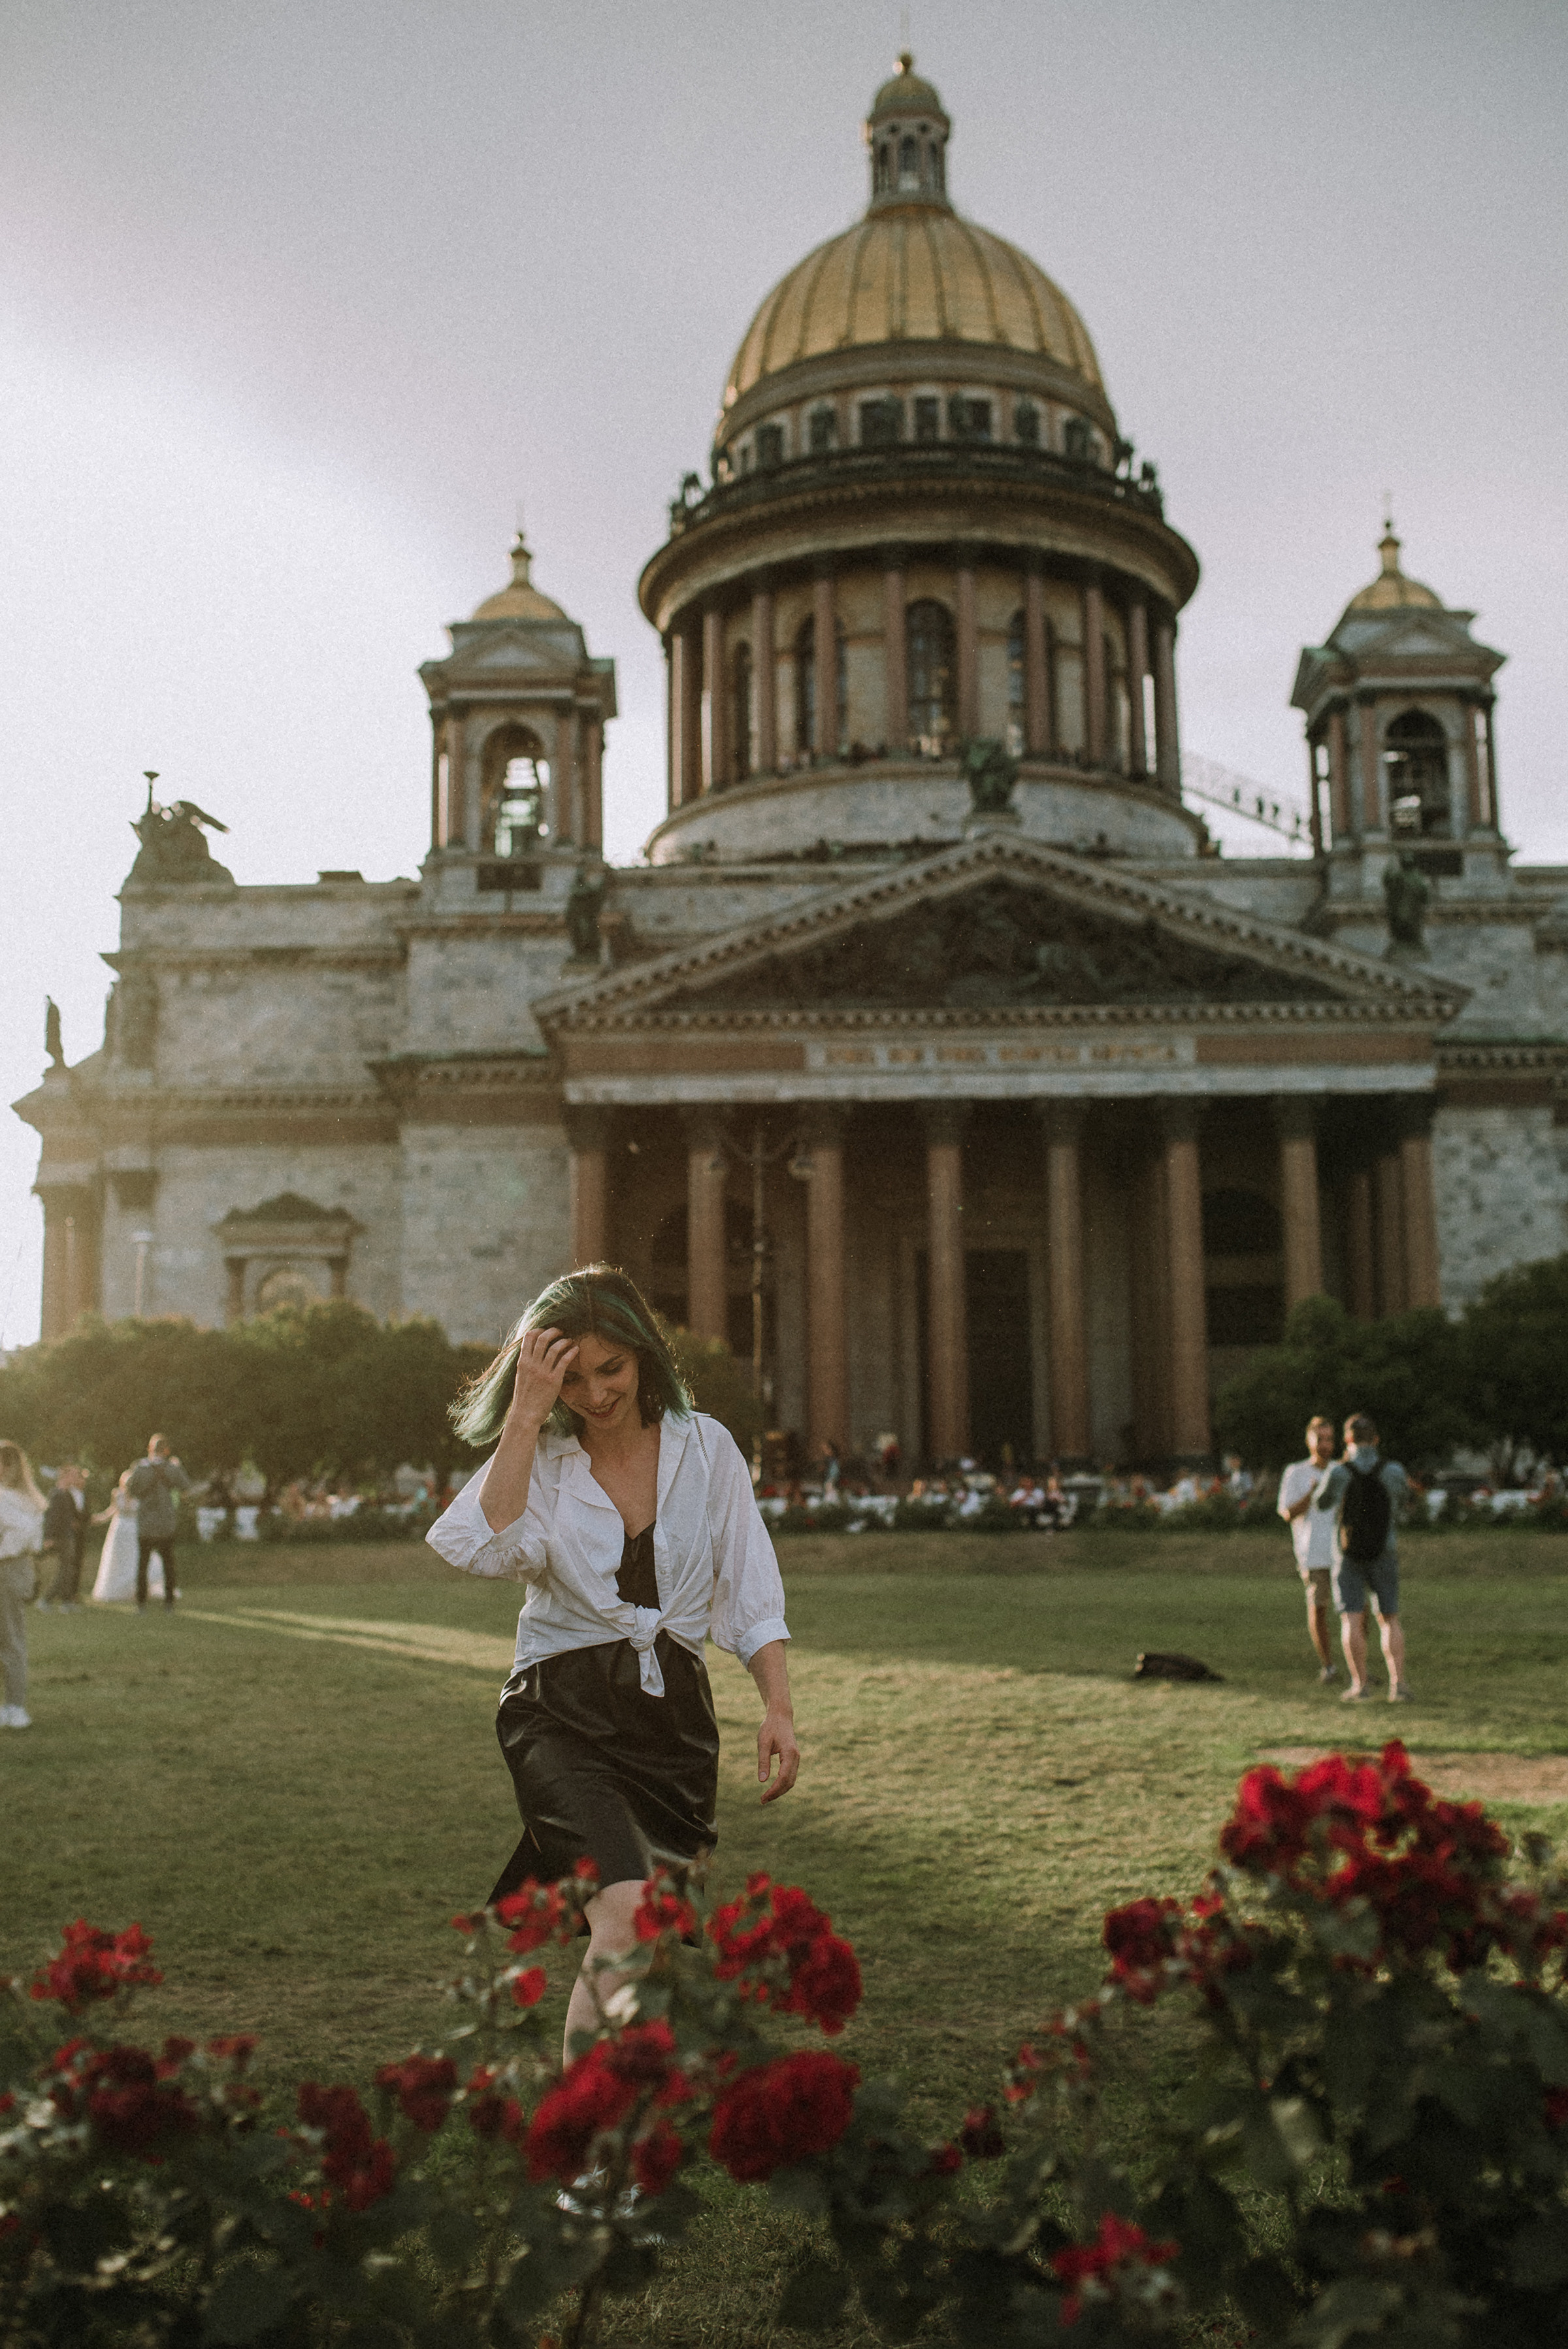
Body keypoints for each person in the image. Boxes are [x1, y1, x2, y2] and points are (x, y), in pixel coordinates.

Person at [427, 1264, 799, 2062]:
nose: (595, 1394)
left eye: (612, 1369)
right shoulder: (545, 1460)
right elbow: (481, 1545)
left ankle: (615, 2149)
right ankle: (588, 2162)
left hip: (672, 1727)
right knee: (626, 1916)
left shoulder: (708, 1449)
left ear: (645, 1357)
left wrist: (778, 1707)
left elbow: (750, 1584)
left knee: (646, 1948)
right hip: (559, 1713)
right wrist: (525, 1416)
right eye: (573, 1377)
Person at [1313, 1413, 1413, 1703]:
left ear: (1348, 1439)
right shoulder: (1392, 1470)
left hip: (1347, 1552)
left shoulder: (1339, 1471)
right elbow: (1405, 1500)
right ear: (1377, 1439)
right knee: (1389, 1618)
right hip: (1385, 1549)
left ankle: (1360, 1686)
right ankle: (1399, 1685)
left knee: (1351, 1619)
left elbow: (1322, 1503)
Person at [1277, 1417, 1341, 1684]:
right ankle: (1328, 1666)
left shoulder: (1340, 1471)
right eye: (1320, 1439)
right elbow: (1287, 1512)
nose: (1325, 1445)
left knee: (1356, 1612)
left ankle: (1357, 1664)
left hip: (1342, 1552)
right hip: (1313, 1553)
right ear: (1309, 1441)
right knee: (1319, 1610)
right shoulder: (1296, 1472)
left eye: (1329, 1439)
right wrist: (1313, 1494)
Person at [1, 1441, 46, 1728]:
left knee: (10, 1638)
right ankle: (11, 1706)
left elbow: (25, 1535)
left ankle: (15, 1706)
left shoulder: (11, 1498)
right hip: (15, 1566)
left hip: (8, 1569)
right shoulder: (27, 1499)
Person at [126, 1435, 190, 1611]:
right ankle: (169, 1602)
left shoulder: (140, 1469)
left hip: (146, 1522)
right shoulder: (172, 1468)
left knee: (143, 1564)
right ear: (167, 1450)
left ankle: (141, 1603)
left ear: (150, 1449)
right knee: (168, 1564)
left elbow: (131, 1490)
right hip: (165, 1523)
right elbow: (185, 1486)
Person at [91, 1471, 162, 1603]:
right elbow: (112, 1510)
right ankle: (120, 1591)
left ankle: (138, 1590)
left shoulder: (141, 1495)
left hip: (135, 1529)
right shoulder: (117, 1494)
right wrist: (100, 1518)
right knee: (119, 1560)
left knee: (136, 1558)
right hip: (120, 1530)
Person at [41, 1462, 89, 1610]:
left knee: (69, 1569)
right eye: (74, 1475)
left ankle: (67, 1601)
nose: (76, 1478)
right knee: (65, 1570)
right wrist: (49, 1537)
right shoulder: (56, 1494)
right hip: (61, 1537)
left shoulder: (68, 1494)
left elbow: (73, 1515)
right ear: (66, 1476)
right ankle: (47, 1600)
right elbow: (51, 1518)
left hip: (69, 1536)